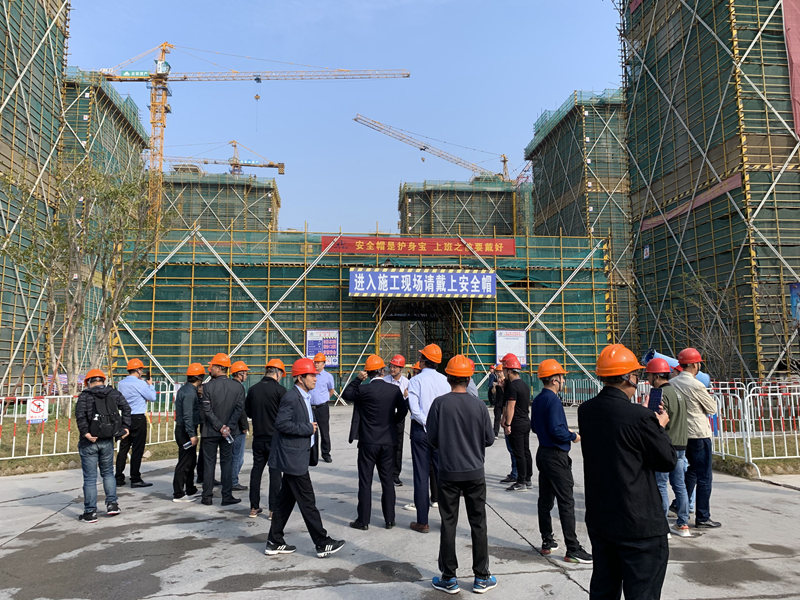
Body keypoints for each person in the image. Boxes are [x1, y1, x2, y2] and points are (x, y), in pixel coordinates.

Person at [578, 344, 676, 600]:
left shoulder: (586, 411)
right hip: (639, 524)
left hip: (602, 520)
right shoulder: (640, 417)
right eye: (635, 374)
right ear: (627, 378)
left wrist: (643, 416)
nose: (638, 379)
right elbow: (667, 460)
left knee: (604, 590)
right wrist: (658, 426)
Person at [427, 355, 496, 594]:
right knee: (478, 523)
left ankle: (449, 577)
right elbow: (489, 439)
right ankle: (481, 577)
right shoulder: (479, 405)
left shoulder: (439, 404)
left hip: (448, 473)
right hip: (475, 472)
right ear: (469, 379)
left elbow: (431, 439)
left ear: (448, 378)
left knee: (448, 523)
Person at [265, 358, 345, 558]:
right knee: (308, 502)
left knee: (285, 502)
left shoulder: (304, 397)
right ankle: (322, 542)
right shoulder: (291, 397)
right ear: (300, 378)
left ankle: (274, 541)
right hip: (293, 458)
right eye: (312, 376)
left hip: (299, 455)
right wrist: (307, 428)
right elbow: (281, 424)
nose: (315, 379)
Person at [530, 359, 592, 563]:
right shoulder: (553, 400)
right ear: (555, 379)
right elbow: (557, 430)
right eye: (562, 377)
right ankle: (572, 548)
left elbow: (535, 427)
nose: (563, 380)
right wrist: (572, 436)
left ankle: (547, 541)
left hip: (543, 453)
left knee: (545, 501)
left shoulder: (539, 399)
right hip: (556, 456)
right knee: (566, 502)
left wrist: (560, 431)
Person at [343, 355, 407, 530]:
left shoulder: (363, 390)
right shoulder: (393, 390)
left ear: (368, 373)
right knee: (387, 481)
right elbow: (403, 409)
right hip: (388, 441)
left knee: (365, 481)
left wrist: (357, 379)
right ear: (382, 371)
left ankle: (363, 521)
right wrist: (393, 422)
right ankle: (389, 519)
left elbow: (347, 394)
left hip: (368, 441)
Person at [670, 347, 721, 529]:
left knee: (691, 471)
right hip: (698, 433)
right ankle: (703, 516)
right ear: (693, 365)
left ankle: (678, 504)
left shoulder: (672, 383)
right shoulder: (696, 385)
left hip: (680, 434)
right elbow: (712, 408)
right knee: (704, 476)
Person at [75, 369, 131, 522]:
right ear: (103, 380)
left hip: (89, 441)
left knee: (90, 478)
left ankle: (90, 512)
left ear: (88, 382)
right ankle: (112, 505)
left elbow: (80, 416)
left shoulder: (85, 396)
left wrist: (86, 433)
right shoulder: (112, 393)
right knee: (108, 473)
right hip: (107, 440)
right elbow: (126, 408)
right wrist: (125, 427)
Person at [407, 343, 450, 534]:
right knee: (442, 475)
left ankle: (423, 521)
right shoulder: (445, 381)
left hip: (421, 431)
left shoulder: (416, 381)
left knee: (421, 475)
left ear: (423, 361)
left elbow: (415, 409)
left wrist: (426, 423)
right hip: (441, 431)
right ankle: (447, 520)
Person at [645, 357, 691, 537]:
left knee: (661, 485)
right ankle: (683, 523)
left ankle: (663, 526)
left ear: (656, 376)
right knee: (679, 485)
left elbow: (653, 421)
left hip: (665, 445)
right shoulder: (678, 392)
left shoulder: (659, 394)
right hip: (681, 444)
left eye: (649, 375)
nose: (648, 379)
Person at [200, 352, 245, 506]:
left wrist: (219, 426)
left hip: (210, 431)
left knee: (209, 463)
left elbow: (207, 410)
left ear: (219, 368)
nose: (210, 369)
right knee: (227, 463)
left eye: (212, 366)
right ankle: (227, 496)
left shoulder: (208, 387)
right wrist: (228, 427)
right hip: (228, 433)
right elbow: (239, 409)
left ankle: (207, 496)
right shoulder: (238, 387)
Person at [246, 358, 287, 519]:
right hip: (275, 438)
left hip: (258, 436)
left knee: (256, 471)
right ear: (278, 373)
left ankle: (254, 507)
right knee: (275, 473)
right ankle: (273, 510)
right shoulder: (280, 391)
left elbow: (248, 412)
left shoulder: (253, 389)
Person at [115, 358, 156, 487]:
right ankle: (135, 478)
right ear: (138, 370)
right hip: (138, 417)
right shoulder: (141, 384)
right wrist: (150, 385)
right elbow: (152, 397)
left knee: (124, 448)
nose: (142, 372)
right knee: (137, 449)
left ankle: (118, 477)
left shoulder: (121, 384)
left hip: (125, 418)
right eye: (141, 370)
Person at [172, 363, 204, 502]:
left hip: (184, 429)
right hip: (185, 431)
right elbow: (188, 416)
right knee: (184, 462)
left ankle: (190, 488)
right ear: (200, 378)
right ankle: (178, 493)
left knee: (191, 461)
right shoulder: (190, 393)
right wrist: (192, 435)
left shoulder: (186, 390)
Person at [501, 354, 532, 491]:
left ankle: (521, 482)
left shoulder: (513, 386)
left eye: (504, 370)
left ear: (509, 371)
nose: (503, 372)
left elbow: (511, 406)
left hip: (517, 423)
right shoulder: (524, 385)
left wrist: (508, 424)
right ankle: (528, 478)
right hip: (525, 421)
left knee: (519, 453)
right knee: (526, 451)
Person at [383, 354, 409, 486]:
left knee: (398, 447)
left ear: (401, 368)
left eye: (395, 367)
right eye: (391, 366)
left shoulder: (407, 383)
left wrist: (406, 396)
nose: (392, 369)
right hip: (385, 417)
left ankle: (395, 474)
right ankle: (385, 472)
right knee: (385, 446)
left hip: (399, 418)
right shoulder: (384, 381)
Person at [309, 352, 335, 463]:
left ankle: (326, 453)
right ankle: (312, 455)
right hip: (310, 408)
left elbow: (331, 390)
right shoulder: (310, 375)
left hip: (322, 408)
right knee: (311, 432)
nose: (316, 364)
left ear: (324, 364)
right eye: (315, 362)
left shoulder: (328, 376)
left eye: (318, 362)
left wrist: (324, 399)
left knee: (324, 432)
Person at [230, 360, 250, 492]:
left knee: (231, 456)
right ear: (239, 374)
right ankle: (233, 481)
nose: (246, 375)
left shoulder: (229, 385)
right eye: (245, 373)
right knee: (238, 457)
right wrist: (244, 426)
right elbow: (240, 409)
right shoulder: (239, 388)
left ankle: (229, 479)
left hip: (229, 425)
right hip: (237, 427)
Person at [488, 364, 504, 437]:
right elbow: (493, 392)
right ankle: (495, 433)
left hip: (505, 403)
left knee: (506, 418)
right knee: (497, 418)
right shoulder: (496, 380)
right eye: (498, 372)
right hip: (498, 402)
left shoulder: (506, 381)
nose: (499, 373)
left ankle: (507, 432)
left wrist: (502, 385)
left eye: (500, 371)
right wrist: (494, 386)